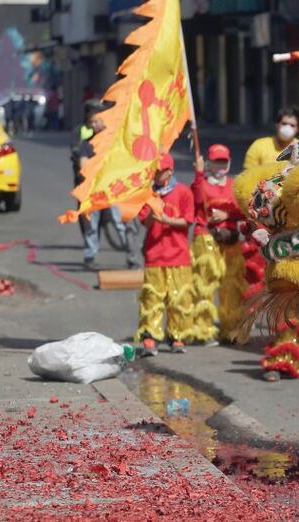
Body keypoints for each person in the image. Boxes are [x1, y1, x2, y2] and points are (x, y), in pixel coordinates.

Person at [136, 153, 195, 356]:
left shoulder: (183, 192)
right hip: (154, 255)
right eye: (154, 171)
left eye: (160, 171)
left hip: (179, 254)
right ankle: (150, 336)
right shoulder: (147, 194)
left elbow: (187, 221)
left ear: (170, 171)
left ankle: (176, 336)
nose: (156, 174)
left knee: (178, 298)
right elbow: (144, 223)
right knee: (152, 298)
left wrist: (166, 220)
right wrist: (153, 214)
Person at [189, 144, 245, 346]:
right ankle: (202, 329)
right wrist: (198, 175)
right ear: (209, 163)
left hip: (230, 238)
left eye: (223, 162)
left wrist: (227, 215)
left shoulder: (233, 185)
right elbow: (196, 202)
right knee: (205, 283)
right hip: (206, 237)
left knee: (231, 284)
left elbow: (243, 210)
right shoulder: (201, 184)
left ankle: (231, 329)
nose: (220, 166)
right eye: (216, 162)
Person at [73, 105, 141, 270]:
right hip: (94, 191)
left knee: (121, 223)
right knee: (91, 224)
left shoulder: (115, 141)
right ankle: (89, 256)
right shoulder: (87, 145)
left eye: (97, 121)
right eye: (92, 122)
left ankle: (132, 257)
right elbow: (84, 166)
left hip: (114, 189)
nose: (94, 125)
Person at [243, 106, 299, 170]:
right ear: (277, 125)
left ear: (297, 129)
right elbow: (249, 173)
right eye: (284, 124)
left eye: (292, 125)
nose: (287, 128)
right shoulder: (259, 145)